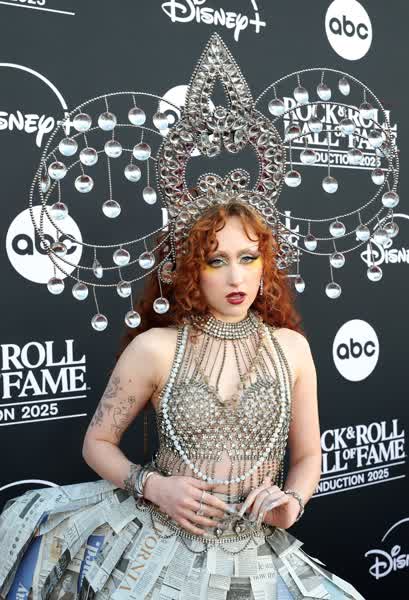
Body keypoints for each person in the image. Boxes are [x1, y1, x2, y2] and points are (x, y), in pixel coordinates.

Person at [0, 200, 365, 599]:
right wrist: (155, 487)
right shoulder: (154, 348)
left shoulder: (292, 349)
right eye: (216, 261)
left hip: (255, 548)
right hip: (159, 541)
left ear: (265, 263)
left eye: (248, 257)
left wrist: (292, 502)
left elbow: (309, 454)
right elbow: (97, 443)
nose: (236, 277)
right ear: (189, 269)